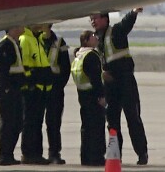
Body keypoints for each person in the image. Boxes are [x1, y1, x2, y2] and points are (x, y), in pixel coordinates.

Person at [90, 9, 148, 165]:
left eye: (95, 18)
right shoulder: (97, 39)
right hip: (110, 85)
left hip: (125, 81)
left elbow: (126, 23)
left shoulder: (116, 31)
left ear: (105, 19)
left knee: (133, 118)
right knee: (112, 122)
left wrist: (134, 11)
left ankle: (142, 153)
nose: (92, 21)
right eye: (91, 19)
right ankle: (116, 155)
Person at [18, 25, 52, 165]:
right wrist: (30, 84)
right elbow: (24, 65)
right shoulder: (25, 39)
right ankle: (29, 154)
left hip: (42, 88)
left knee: (37, 123)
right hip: (32, 89)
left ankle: (36, 153)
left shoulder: (37, 39)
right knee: (30, 123)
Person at [71, 30, 106, 167]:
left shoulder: (79, 55)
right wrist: (101, 96)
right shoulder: (91, 56)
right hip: (93, 97)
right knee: (96, 128)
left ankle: (85, 157)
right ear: (86, 41)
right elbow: (95, 79)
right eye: (92, 36)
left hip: (83, 96)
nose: (96, 38)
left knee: (86, 128)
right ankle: (96, 158)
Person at [0, 26, 26, 166]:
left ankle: (9, 154)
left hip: (15, 89)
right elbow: (3, 69)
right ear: (13, 28)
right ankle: (4, 156)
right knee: (8, 123)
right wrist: (5, 88)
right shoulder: (6, 45)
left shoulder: (15, 43)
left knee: (17, 122)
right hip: (8, 90)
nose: (23, 27)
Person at [40, 23, 70, 165]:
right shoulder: (34, 40)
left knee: (54, 123)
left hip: (55, 90)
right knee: (34, 123)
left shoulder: (59, 43)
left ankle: (54, 153)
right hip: (39, 88)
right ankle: (34, 153)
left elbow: (65, 68)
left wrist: (58, 86)